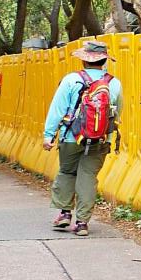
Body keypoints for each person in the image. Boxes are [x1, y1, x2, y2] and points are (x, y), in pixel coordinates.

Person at [42, 38, 123, 237]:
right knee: (88, 177)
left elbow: (57, 109)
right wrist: (108, 137)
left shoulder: (71, 80)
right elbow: (116, 114)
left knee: (67, 172)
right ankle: (82, 223)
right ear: (104, 60)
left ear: (84, 60)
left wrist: (49, 135)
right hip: (99, 140)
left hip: (71, 137)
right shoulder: (114, 83)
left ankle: (65, 213)